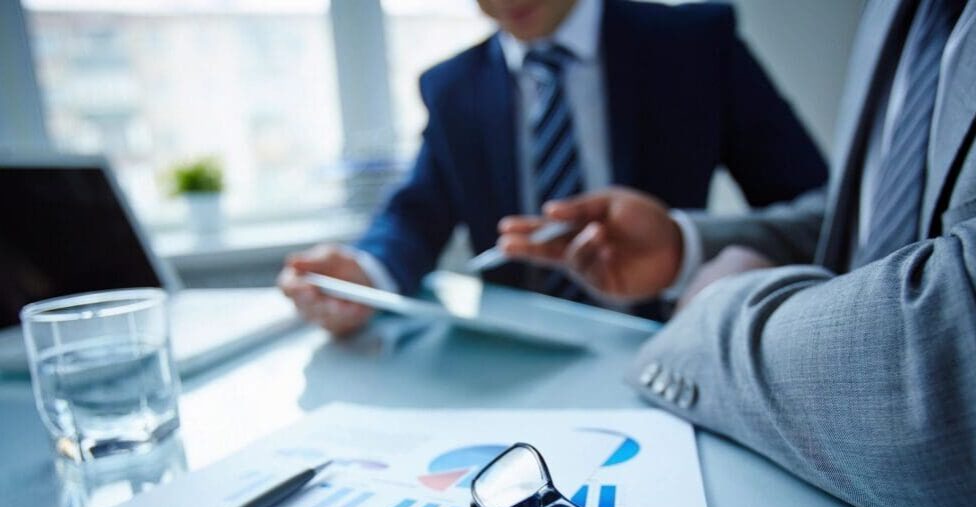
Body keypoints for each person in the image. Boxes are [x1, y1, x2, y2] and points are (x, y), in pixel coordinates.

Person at [501, 0, 976, 507]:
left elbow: (949, 359)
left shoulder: (694, 33)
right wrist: (685, 247)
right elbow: (867, 219)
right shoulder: (895, 12)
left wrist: (708, 307)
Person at [279, 0, 827, 335]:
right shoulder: (453, 88)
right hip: (519, 365)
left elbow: (821, 211)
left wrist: (691, 252)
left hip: (672, 340)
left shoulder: (695, 45)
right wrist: (364, 272)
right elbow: (414, 215)